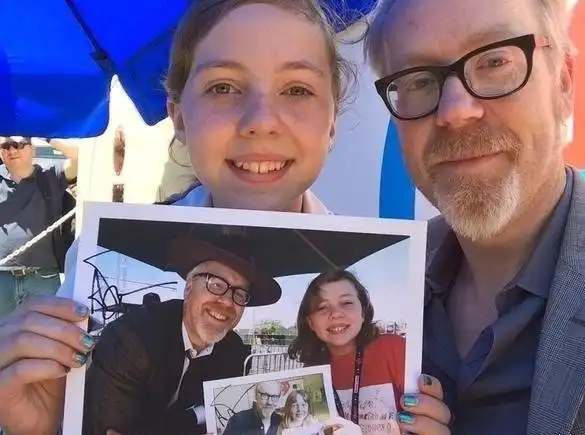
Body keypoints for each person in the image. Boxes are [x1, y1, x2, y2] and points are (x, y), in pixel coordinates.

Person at [0, 1, 447, 434]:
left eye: (297, 89)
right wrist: (42, 427)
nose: (261, 121)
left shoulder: (417, 294)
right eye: (223, 87)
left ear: (332, 122)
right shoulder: (100, 281)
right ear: (178, 117)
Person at [365, 0, 585, 434]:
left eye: (494, 61)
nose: (456, 110)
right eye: (419, 79)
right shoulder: (375, 283)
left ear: (563, 83)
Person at [83, 233, 283, 435]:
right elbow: (108, 430)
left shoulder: (233, 351)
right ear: (189, 288)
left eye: (239, 294)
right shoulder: (131, 338)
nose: (227, 302)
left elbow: (222, 419)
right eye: (216, 284)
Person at [288, 269, 409, 434]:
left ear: (363, 311)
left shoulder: (394, 349)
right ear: (310, 322)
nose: (336, 314)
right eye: (322, 307)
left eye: (346, 303)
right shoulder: (311, 375)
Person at [0, 136, 78, 317]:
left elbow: (79, 157)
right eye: (6, 146)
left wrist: (45, 134)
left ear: (32, 149)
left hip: (42, 278)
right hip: (2, 279)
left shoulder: (50, 177)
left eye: (18, 145)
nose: (12, 151)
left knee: (47, 330)